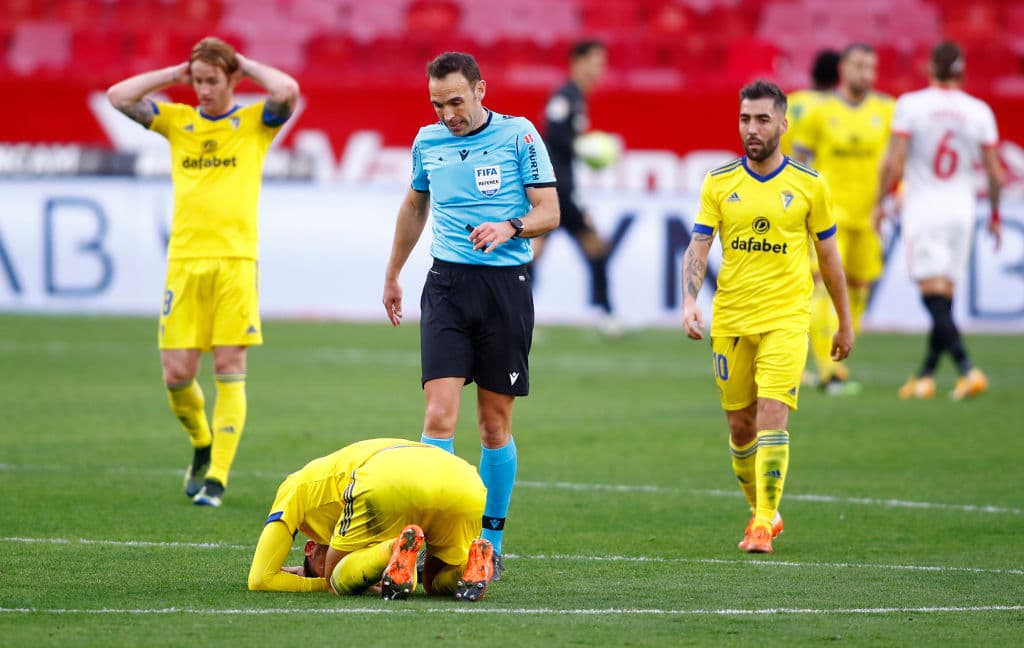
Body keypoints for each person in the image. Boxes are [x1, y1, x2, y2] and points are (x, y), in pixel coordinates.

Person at [381, 52, 559, 580]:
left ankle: (490, 541)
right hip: (447, 287)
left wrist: (511, 226)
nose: (447, 114)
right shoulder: (428, 141)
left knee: (492, 424)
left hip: (504, 289)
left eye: (456, 101)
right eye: (438, 104)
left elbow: (549, 210)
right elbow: (415, 206)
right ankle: (430, 539)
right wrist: (393, 272)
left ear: (481, 89)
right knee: (438, 417)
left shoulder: (519, 135)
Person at [106, 37, 299, 507]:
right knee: (176, 374)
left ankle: (217, 477)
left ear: (231, 79)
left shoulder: (254, 123)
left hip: (235, 261)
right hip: (185, 262)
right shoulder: (180, 121)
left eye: (212, 80)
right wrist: (175, 73)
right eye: (198, 81)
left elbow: (287, 90)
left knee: (230, 367)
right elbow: (118, 97)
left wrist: (245, 64)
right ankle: (201, 443)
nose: (204, 90)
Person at [681, 80, 853, 554]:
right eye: (744, 119)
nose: (751, 129)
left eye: (761, 119)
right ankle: (765, 510)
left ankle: (759, 525)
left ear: (783, 123)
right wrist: (689, 300)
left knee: (773, 416)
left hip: (786, 317)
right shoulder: (719, 182)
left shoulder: (810, 185)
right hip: (732, 320)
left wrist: (844, 321)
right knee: (740, 425)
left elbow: (831, 260)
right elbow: (699, 246)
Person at [873, 41, 1003, 401]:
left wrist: (880, 200)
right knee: (944, 296)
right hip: (961, 211)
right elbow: (994, 172)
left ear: (929, 68)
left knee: (934, 299)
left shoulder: (911, 106)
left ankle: (967, 368)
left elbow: (894, 161)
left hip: (924, 208)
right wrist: (993, 213)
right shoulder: (979, 111)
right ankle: (926, 375)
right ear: (962, 72)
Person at [246, 438, 495, 601]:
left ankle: (392, 550)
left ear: (311, 548)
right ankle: (470, 566)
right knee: (433, 582)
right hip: (464, 480)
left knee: (336, 581)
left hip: (386, 478)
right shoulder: (337, 472)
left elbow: (260, 579)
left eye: (315, 570)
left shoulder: (294, 487)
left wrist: (320, 582)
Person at [792, 43, 894, 395]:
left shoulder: (887, 110)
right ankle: (827, 372)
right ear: (844, 69)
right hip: (828, 216)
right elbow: (800, 160)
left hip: (868, 216)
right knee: (823, 287)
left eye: (871, 66)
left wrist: (892, 198)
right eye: (858, 65)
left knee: (859, 291)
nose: (864, 73)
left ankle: (837, 360)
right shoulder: (821, 112)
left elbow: (897, 161)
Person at [535, 39, 619, 335]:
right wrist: (586, 147)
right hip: (559, 190)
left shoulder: (576, 97)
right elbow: (552, 136)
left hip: (562, 188)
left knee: (540, 250)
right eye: (596, 62)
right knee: (592, 244)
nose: (600, 70)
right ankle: (607, 314)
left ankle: (605, 312)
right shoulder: (564, 96)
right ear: (578, 62)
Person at [781, 49, 840, 388]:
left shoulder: (789, 102)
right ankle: (827, 371)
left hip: (783, 199)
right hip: (818, 203)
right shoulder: (833, 110)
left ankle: (794, 366)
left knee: (792, 286)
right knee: (817, 286)